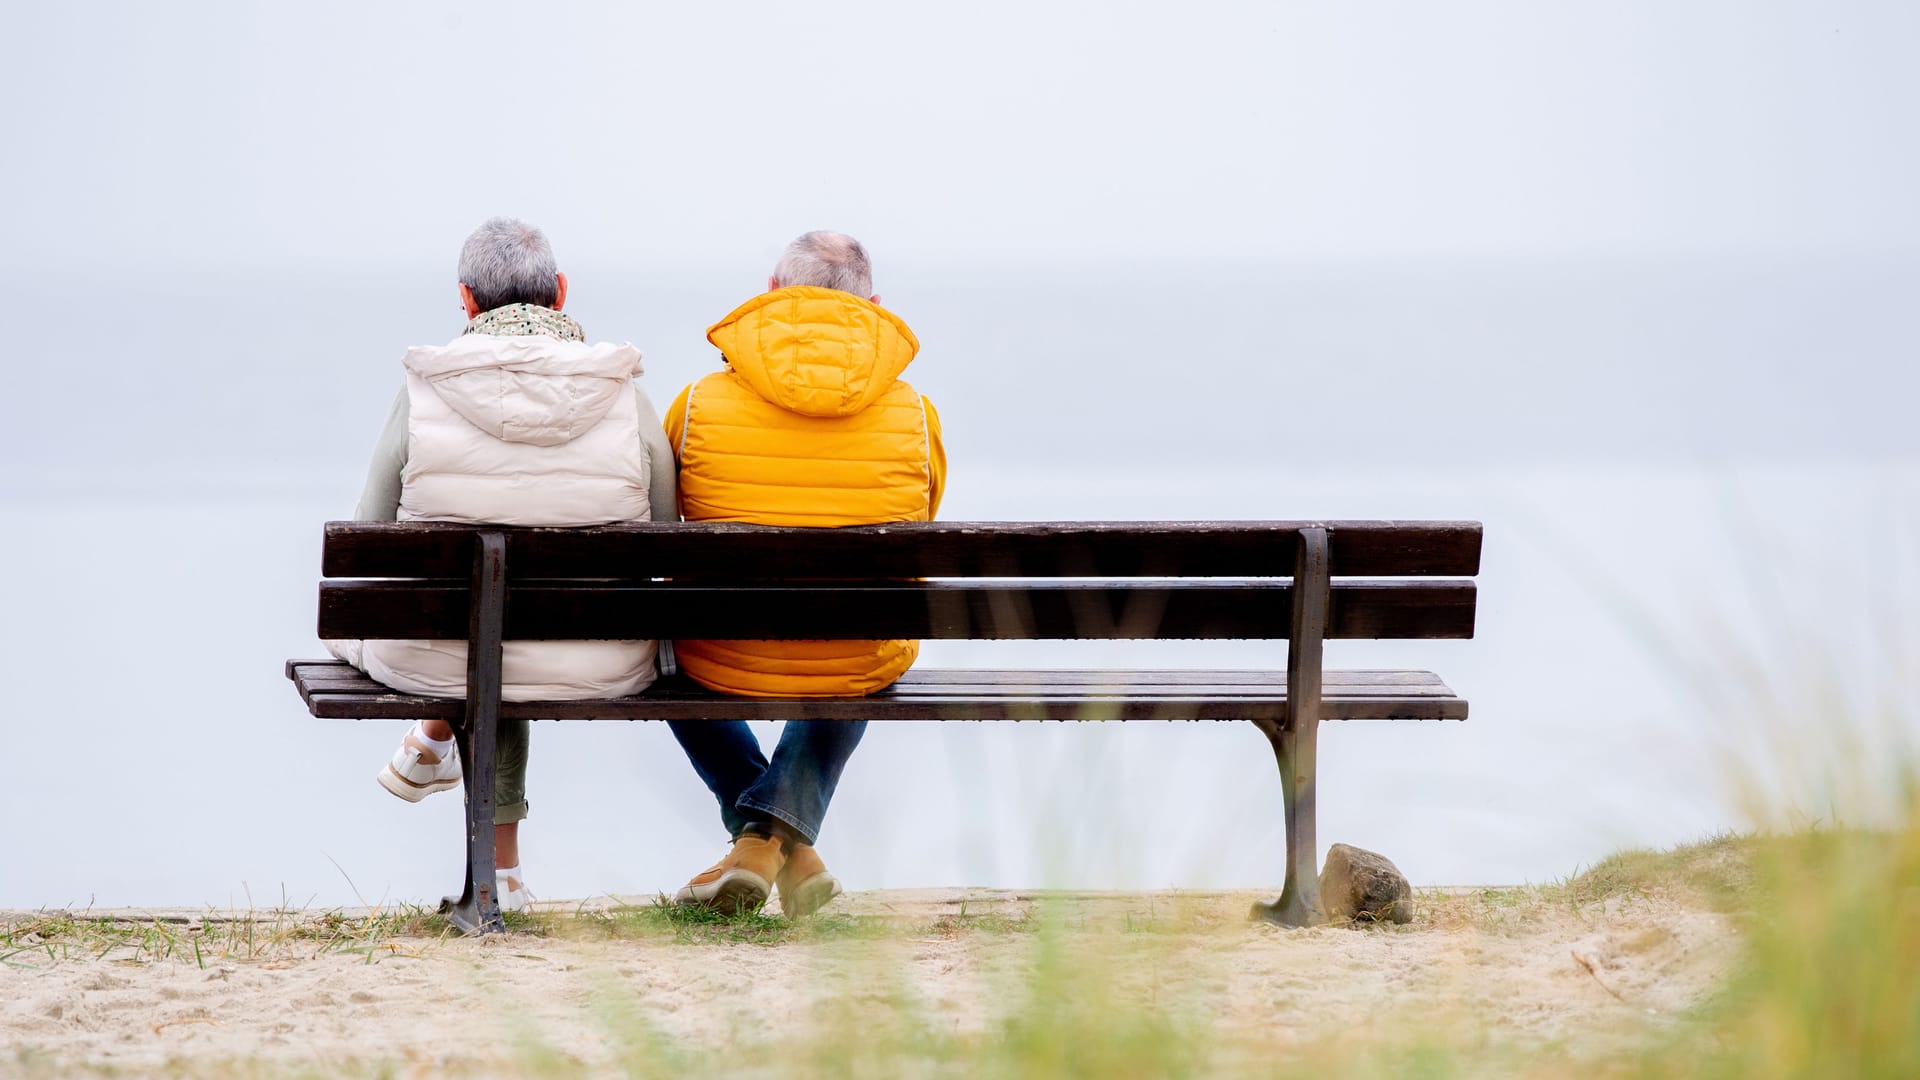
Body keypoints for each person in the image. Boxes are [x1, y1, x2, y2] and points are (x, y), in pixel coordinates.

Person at [329, 217, 677, 911]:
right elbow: (669, 536)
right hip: (603, 660)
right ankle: (500, 864)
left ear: (464, 300)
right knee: (503, 614)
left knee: (482, 619)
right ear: (561, 293)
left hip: (436, 658)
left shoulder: (423, 393)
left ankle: (434, 743)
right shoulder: (624, 395)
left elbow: (368, 535)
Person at [662, 231, 946, 918]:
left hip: (720, 656)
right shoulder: (914, 414)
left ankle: (758, 842)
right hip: (853, 654)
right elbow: (924, 518)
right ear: (873, 307)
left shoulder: (696, 404)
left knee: (661, 652)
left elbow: (665, 531)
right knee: (859, 647)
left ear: (771, 294)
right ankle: (785, 840)